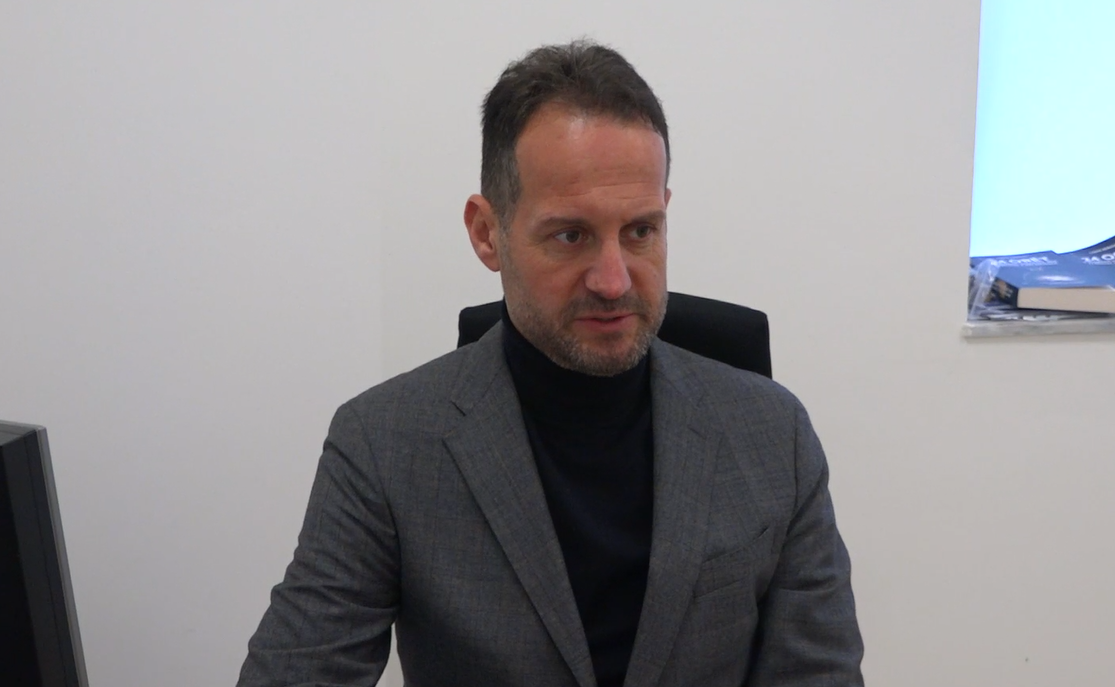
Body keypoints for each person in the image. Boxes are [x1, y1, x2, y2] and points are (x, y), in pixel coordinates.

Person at [238, 40, 863, 687]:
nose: (614, 280)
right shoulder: (383, 445)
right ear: (487, 233)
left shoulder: (775, 436)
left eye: (640, 231)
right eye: (571, 235)